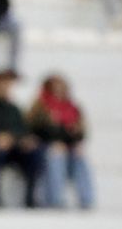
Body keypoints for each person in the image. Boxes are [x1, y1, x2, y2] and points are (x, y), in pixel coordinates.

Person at [0, 69, 42, 208]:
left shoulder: (15, 109)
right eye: (3, 84)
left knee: (34, 152)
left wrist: (12, 138)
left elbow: (22, 130)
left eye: (8, 84)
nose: (5, 87)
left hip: (14, 148)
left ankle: (30, 197)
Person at [27, 74, 94, 209]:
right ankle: (55, 200)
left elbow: (79, 133)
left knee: (80, 157)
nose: (58, 91)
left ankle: (87, 199)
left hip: (68, 148)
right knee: (56, 155)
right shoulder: (40, 106)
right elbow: (38, 129)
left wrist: (73, 142)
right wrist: (58, 137)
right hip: (46, 147)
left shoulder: (73, 108)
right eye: (54, 87)